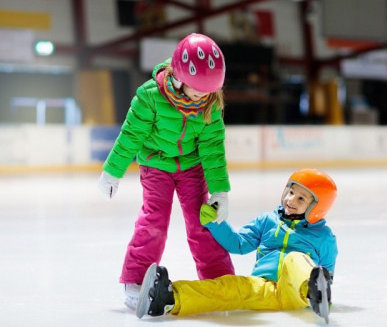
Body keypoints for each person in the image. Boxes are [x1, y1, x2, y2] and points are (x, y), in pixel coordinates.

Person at [97, 33, 235, 310]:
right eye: (197, 90)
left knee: (202, 223)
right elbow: (131, 136)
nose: (202, 96)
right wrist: (112, 171)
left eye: (208, 91)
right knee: (154, 221)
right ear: (179, 76)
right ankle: (136, 280)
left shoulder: (210, 104)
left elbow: (212, 149)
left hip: (191, 167)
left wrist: (219, 189)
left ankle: (218, 279)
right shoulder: (150, 96)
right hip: (155, 164)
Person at [136, 168, 338, 323]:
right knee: (230, 286)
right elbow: (238, 243)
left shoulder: (324, 237)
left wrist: (320, 290)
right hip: (263, 287)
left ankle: (314, 292)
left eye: (301, 198)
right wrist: (216, 223)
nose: (291, 199)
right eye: (291, 192)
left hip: (296, 292)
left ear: (317, 207)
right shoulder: (268, 221)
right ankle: (169, 297)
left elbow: (326, 273)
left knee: (295, 259)